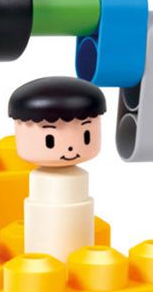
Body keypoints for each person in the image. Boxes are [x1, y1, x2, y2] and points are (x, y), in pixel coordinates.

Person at [9, 76, 106, 263]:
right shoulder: (40, 177)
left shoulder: (77, 175)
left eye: (86, 134)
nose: (70, 149)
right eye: (50, 139)